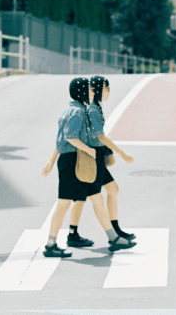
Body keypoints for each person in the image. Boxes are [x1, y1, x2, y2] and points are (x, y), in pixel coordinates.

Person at [40, 78, 136, 258]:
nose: (93, 91)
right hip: (73, 161)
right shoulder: (77, 112)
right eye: (90, 89)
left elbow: (59, 139)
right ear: (82, 91)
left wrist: (51, 162)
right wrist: (89, 150)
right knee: (63, 203)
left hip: (78, 160)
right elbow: (69, 137)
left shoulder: (76, 110)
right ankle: (51, 244)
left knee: (97, 198)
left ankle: (113, 238)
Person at [68, 75, 135, 244]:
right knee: (89, 196)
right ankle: (109, 234)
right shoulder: (93, 110)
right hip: (91, 157)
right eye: (107, 88)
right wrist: (121, 152)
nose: (109, 91)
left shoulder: (95, 107)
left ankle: (113, 229)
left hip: (94, 155)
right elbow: (100, 136)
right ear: (99, 90)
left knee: (111, 190)